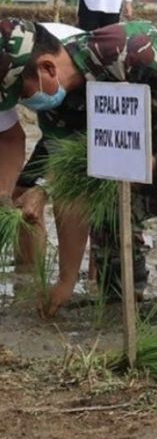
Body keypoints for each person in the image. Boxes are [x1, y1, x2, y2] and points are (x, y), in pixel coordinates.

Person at [19, 22, 157, 315]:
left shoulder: (130, 50)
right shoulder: (55, 106)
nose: (25, 102)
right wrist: (66, 282)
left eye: (23, 92)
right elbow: (72, 193)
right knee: (111, 212)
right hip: (153, 131)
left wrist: (156, 161)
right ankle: (121, 308)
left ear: (47, 69)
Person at [0, 20, 88, 278]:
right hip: (53, 114)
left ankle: (102, 283)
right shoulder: (5, 77)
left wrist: (46, 189)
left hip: (80, 86)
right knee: (20, 196)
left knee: (87, 199)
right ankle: (29, 279)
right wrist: (3, 193)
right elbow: (10, 138)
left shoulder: (20, 62)